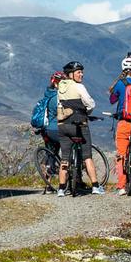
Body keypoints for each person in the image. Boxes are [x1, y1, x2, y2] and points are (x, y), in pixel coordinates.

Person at [55, 61, 104, 195]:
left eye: (82, 72)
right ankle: (95, 186)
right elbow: (90, 103)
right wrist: (86, 112)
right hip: (79, 125)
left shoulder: (60, 86)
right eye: (79, 72)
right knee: (87, 156)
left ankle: (60, 189)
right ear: (71, 74)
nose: (81, 74)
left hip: (63, 125)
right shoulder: (79, 86)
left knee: (65, 158)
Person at [107, 56, 131, 194]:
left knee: (121, 154)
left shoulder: (120, 83)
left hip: (124, 121)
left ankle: (122, 186)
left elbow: (112, 100)